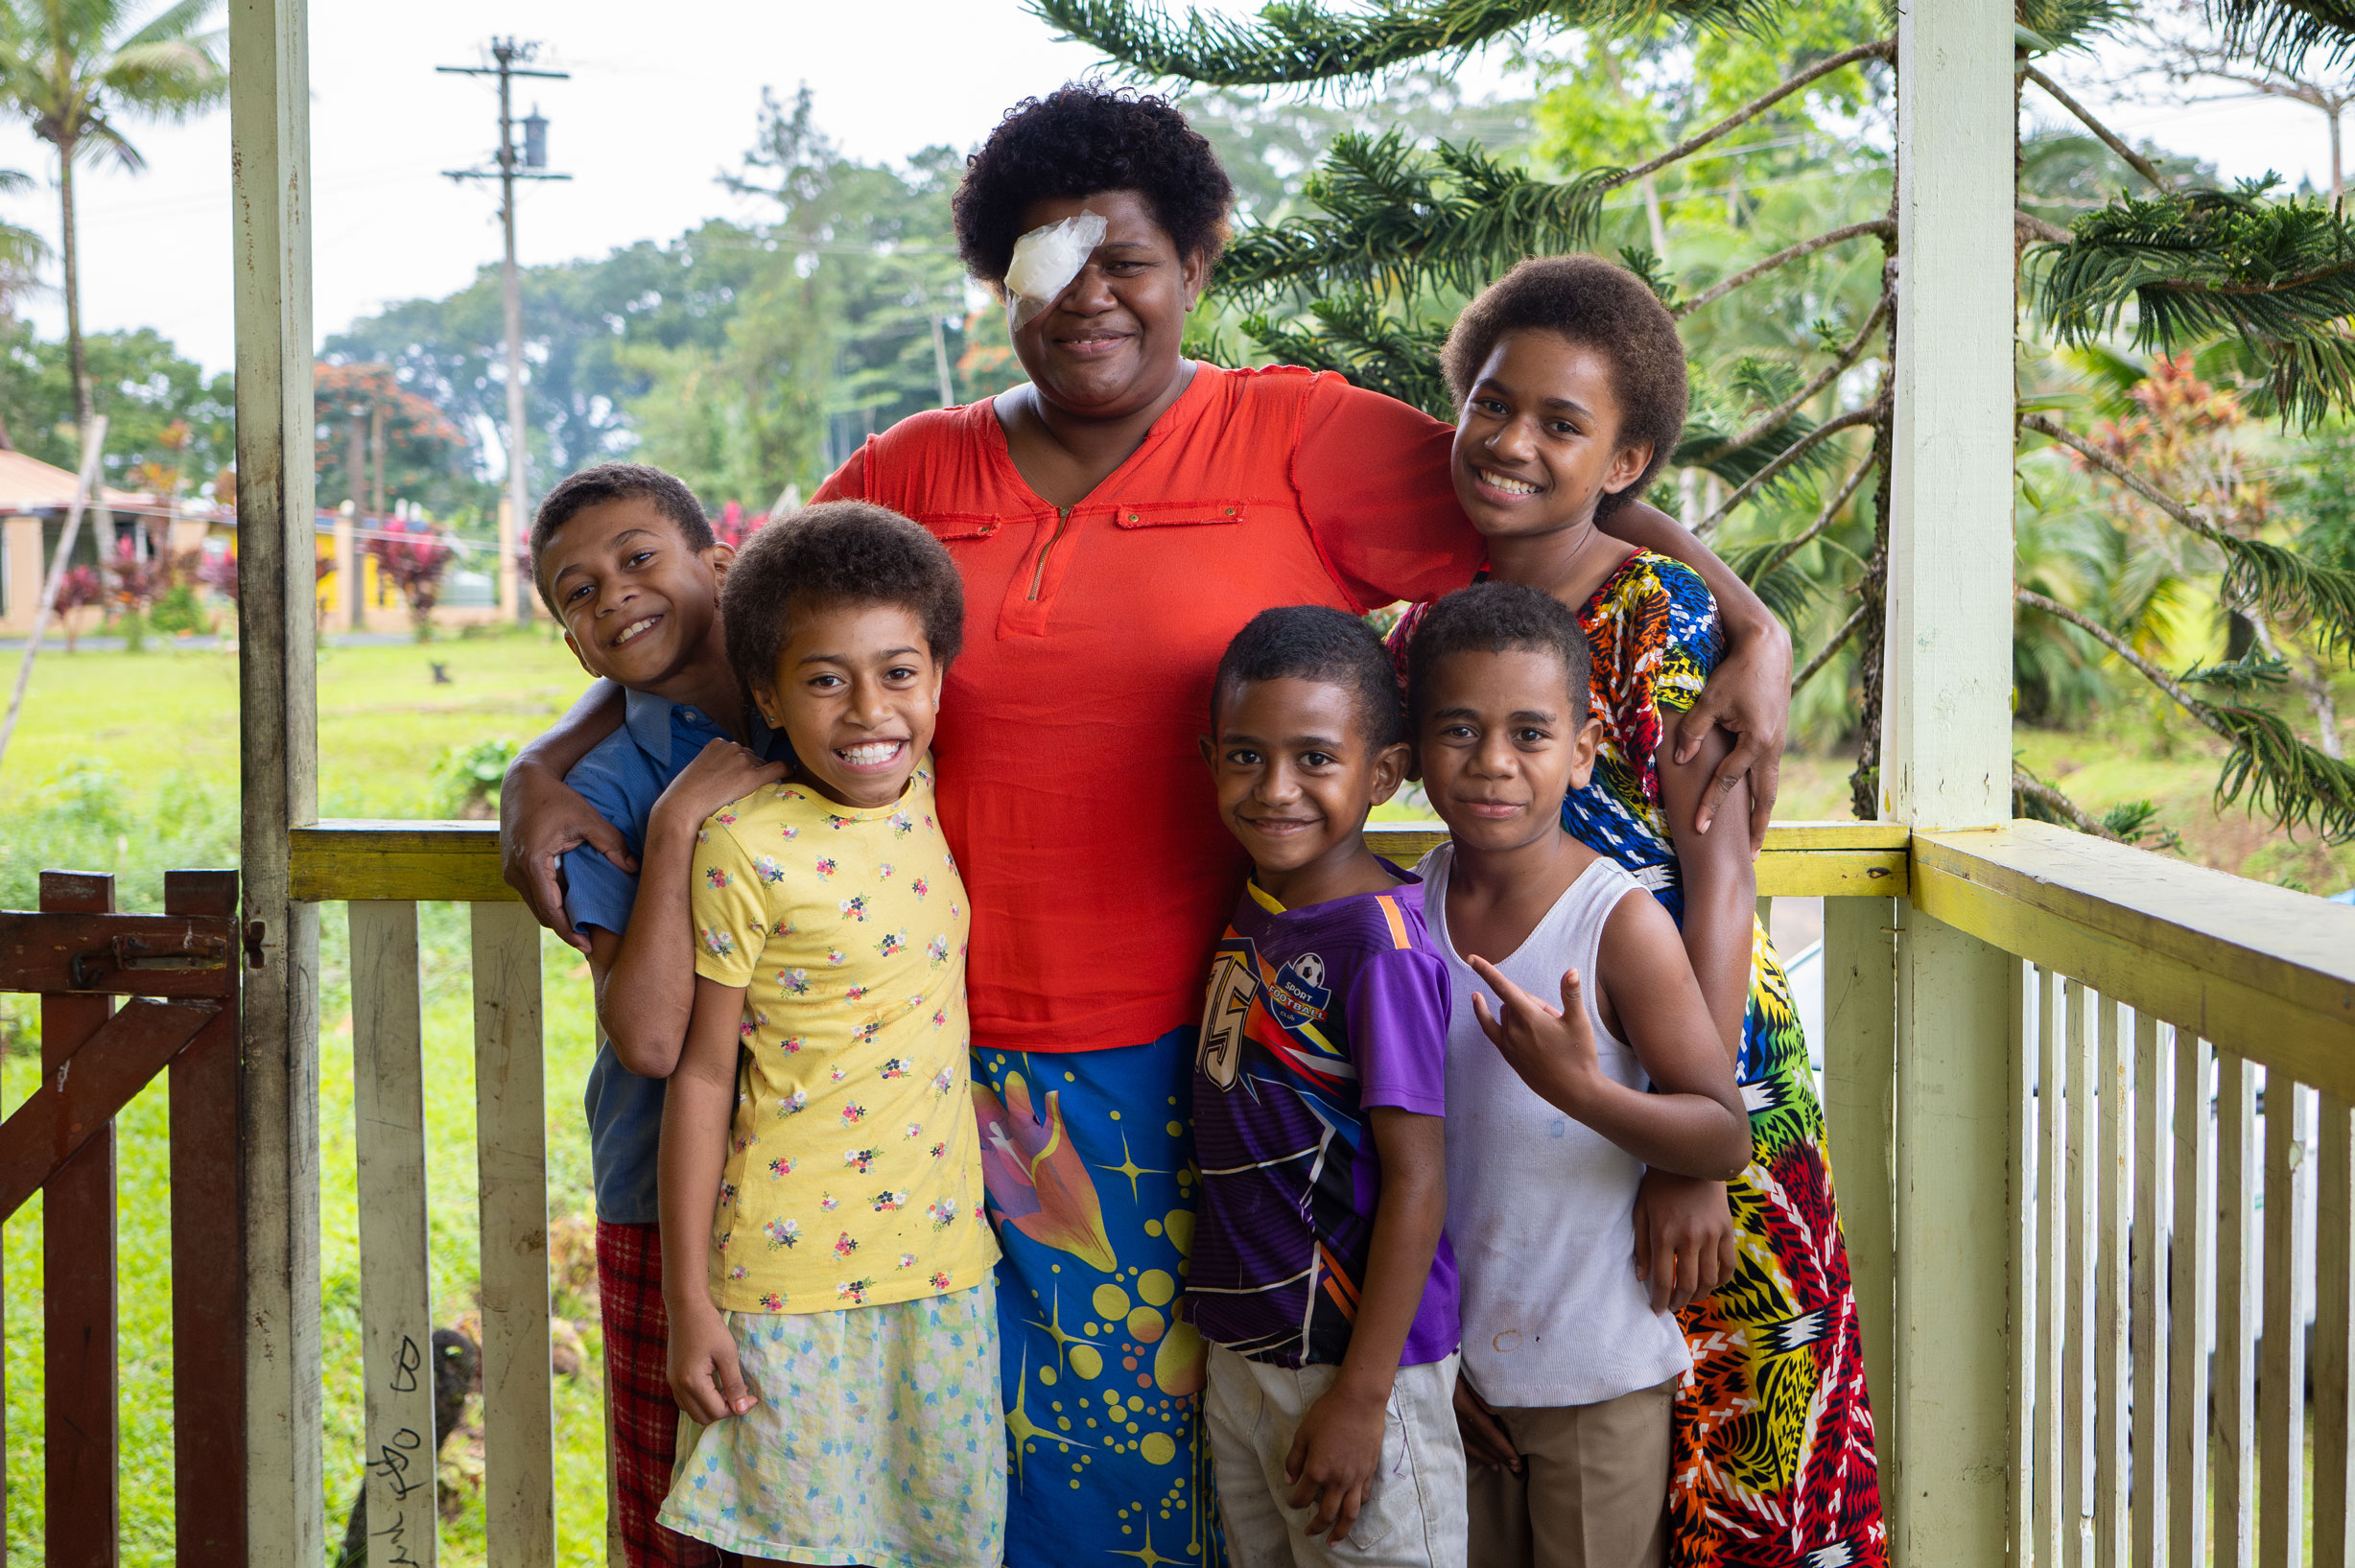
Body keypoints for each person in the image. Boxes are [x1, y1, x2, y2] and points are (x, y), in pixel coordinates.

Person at [495, 86, 1796, 1568]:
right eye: (1046, 263)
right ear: (997, 281)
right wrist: (550, 755)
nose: (1089, 296)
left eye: (1127, 258)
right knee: (986, 1489)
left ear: (1195, 260)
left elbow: (1543, 491)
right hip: (925, 1085)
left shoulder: (1295, 433)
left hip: (1228, 1063)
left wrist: (1745, 616)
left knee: (1201, 1481)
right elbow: (737, 635)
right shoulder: (911, 470)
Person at [1393, 257, 1888, 1568]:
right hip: (1538, 1109)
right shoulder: (1448, 618)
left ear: (1620, 461)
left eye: (1559, 423)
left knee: (1743, 1466)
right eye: (1492, 405)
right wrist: (1762, 617)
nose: (1511, 441)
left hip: (1698, 1066)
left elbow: (1719, 877)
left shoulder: (1652, 614)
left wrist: (1688, 1156)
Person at [657, 501, 1001, 1566]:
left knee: (940, 1545)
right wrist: (687, 1303)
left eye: (898, 673)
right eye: (823, 680)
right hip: (785, 1282)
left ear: (938, 677)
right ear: (767, 694)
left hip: (942, 1269)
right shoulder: (742, 844)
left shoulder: (929, 792)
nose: (868, 711)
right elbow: (702, 1077)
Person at [1404, 582, 1753, 1568]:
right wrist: (1428, 1354)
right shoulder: (1407, 909)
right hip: (1455, 1376)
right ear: (1414, 750)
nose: (1493, 762)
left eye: (1529, 734)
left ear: (1583, 749)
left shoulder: (1616, 922)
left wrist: (1585, 1092)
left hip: (1596, 1379)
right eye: (1458, 730)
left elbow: (1721, 1131)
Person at [530, 461, 791, 1568]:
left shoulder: (831, 712)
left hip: (847, 1179)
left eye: (638, 558)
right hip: (661, 1195)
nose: (615, 595)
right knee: (680, 1508)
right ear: (575, 646)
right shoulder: (605, 790)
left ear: (719, 565)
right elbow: (643, 1039)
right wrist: (681, 823)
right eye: (578, 593)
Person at [1190, 607, 1461, 1566]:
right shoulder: (1259, 904)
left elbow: (1417, 1179)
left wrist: (1362, 1395)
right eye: (1245, 757)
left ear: (1381, 774)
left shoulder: (1379, 948)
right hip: (1246, 1354)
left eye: (1314, 759)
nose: (1275, 790)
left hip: (1352, 1369)